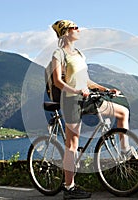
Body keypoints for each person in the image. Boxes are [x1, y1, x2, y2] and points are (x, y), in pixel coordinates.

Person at [51, 19, 133, 199]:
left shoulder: (79, 54)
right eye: (75, 27)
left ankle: (125, 149)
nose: (78, 30)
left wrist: (105, 89)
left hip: (87, 98)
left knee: (122, 112)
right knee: (72, 145)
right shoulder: (59, 53)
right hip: (71, 101)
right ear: (65, 32)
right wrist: (75, 90)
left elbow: (86, 81)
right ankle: (69, 187)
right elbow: (58, 81)